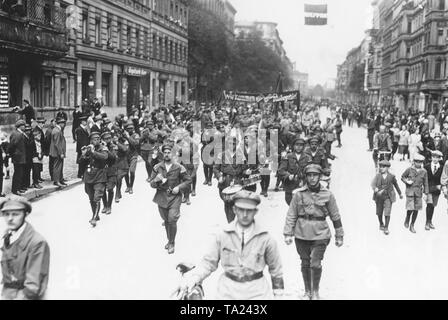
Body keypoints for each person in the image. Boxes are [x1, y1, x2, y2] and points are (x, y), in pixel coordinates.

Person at [180, 190, 284, 300]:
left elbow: (276, 271)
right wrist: (194, 278)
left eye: (249, 210)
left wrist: (279, 295)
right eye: (241, 209)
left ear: (255, 212)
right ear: (234, 209)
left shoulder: (266, 239)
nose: (245, 215)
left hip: (257, 292)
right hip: (228, 292)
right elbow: (208, 263)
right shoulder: (223, 236)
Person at [283, 164, 344, 300]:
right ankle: (307, 291)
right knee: (305, 263)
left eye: (315, 175)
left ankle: (315, 291)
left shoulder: (327, 194)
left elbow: (335, 216)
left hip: (320, 233)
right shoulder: (298, 194)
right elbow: (291, 214)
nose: (312, 178)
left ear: (320, 176)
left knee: (315, 263)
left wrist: (339, 235)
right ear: (306, 177)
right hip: (301, 233)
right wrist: (288, 233)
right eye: (309, 175)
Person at [0, 196, 50, 300]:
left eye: (15, 214)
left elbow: (32, 288)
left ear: (25, 214)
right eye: (6, 214)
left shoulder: (37, 243)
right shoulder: (9, 237)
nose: (10, 218)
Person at [150, 144, 191, 254]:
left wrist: (179, 187)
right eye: (165, 152)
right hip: (161, 197)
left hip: (174, 198)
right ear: (162, 154)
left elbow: (188, 181)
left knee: (172, 219)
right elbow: (151, 184)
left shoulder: (179, 167)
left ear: (172, 154)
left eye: (169, 152)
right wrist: (156, 181)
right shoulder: (157, 167)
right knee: (167, 221)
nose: (167, 154)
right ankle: (169, 240)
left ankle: (172, 243)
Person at [78, 132, 109, 227]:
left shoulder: (103, 148)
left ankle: (94, 217)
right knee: (91, 198)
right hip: (89, 176)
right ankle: (96, 214)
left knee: (97, 197)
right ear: (90, 140)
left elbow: (104, 157)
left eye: (97, 139)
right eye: (93, 139)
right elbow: (80, 162)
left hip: (99, 176)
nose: (95, 141)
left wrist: (92, 152)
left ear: (100, 140)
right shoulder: (88, 148)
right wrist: (83, 155)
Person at [371, 160, 403, 235]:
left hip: (388, 196)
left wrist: (400, 193)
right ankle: (381, 223)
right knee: (379, 212)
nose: (381, 168)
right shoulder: (378, 176)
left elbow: (396, 185)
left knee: (387, 212)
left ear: (388, 168)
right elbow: (372, 184)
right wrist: (375, 188)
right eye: (380, 167)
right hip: (379, 197)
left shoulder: (391, 176)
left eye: (383, 167)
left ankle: (386, 227)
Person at [278, 138, 311, 205]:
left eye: (301, 145)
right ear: (293, 146)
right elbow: (281, 170)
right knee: (290, 204)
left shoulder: (307, 157)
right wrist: (288, 175)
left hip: (303, 185)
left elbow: (311, 170)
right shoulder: (287, 156)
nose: (298, 147)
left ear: (303, 146)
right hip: (290, 185)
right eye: (297, 145)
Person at [401, 153, 429, 234]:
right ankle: (407, 218)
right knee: (410, 208)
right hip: (410, 191)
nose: (418, 163)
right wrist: (407, 181)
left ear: (422, 163)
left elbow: (426, 183)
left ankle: (412, 225)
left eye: (420, 162)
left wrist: (426, 193)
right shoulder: (409, 169)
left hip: (418, 193)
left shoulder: (424, 171)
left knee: (416, 209)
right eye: (416, 162)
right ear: (414, 162)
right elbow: (402, 177)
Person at [8, 120, 27, 195]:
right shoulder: (17, 134)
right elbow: (12, 146)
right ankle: (16, 190)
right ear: (20, 126)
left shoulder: (18, 133)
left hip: (19, 157)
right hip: (18, 158)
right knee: (18, 174)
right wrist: (13, 154)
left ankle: (17, 188)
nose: (24, 127)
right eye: (23, 126)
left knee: (19, 173)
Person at [101, 131, 118, 215]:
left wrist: (107, 150)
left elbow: (113, 157)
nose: (108, 140)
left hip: (112, 171)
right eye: (106, 139)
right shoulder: (100, 147)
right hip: (103, 171)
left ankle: (109, 206)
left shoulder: (113, 146)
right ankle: (105, 205)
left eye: (109, 138)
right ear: (103, 140)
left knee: (110, 189)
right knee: (103, 189)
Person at [426, 151, 443, 230]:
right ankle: (427, 222)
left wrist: (441, 186)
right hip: (428, 188)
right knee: (429, 204)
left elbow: (443, 178)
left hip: (437, 189)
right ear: (431, 157)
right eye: (433, 157)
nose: (435, 159)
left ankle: (430, 221)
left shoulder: (442, 167)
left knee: (433, 206)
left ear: (439, 158)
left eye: (437, 157)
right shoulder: (427, 166)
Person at [49, 118, 67, 187]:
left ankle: (60, 179)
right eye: (63, 123)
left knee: (60, 166)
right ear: (60, 124)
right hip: (57, 153)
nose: (64, 125)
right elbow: (57, 143)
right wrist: (61, 153)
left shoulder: (57, 130)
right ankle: (56, 181)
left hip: (57, 152)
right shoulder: (57, 131)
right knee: (57, 166)